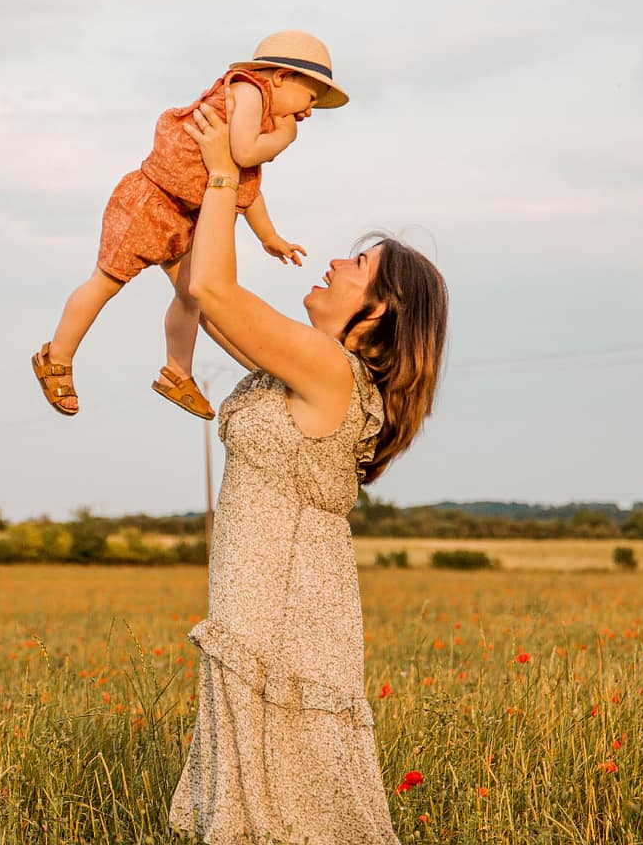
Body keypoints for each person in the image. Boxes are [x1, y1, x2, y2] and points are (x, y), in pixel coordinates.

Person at [166, 94, 449, 843]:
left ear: (381, 310)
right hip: (264, 596)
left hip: (284, 603)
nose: (332, 261)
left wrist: (229, 171)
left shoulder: (327, 369)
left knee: (296, 809)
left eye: (356, 265)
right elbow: (203, 290)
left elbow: (215, 290)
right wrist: (183, 190)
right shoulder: (301, 367)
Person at [31, 31, 348, 421]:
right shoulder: (249, 91)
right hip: (152, 200)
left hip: (189, 214)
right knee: (106, 282)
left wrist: (269, 236)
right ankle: (57, 355)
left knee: (192, 295)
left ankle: (176, 373)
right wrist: (285, 136)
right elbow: (244, 154)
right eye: (311, 97)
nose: (308, 112)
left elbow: (244, 180)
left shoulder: (259, 116)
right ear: (281, 77)